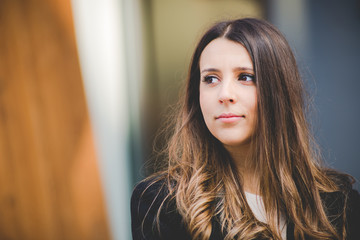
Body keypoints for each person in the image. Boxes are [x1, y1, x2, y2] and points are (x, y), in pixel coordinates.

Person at [130, 18, 360, 240]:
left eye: (245, 77)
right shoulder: (161, 203)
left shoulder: (338, 202)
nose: (225, 95)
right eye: (210, 79)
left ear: (278, 91)